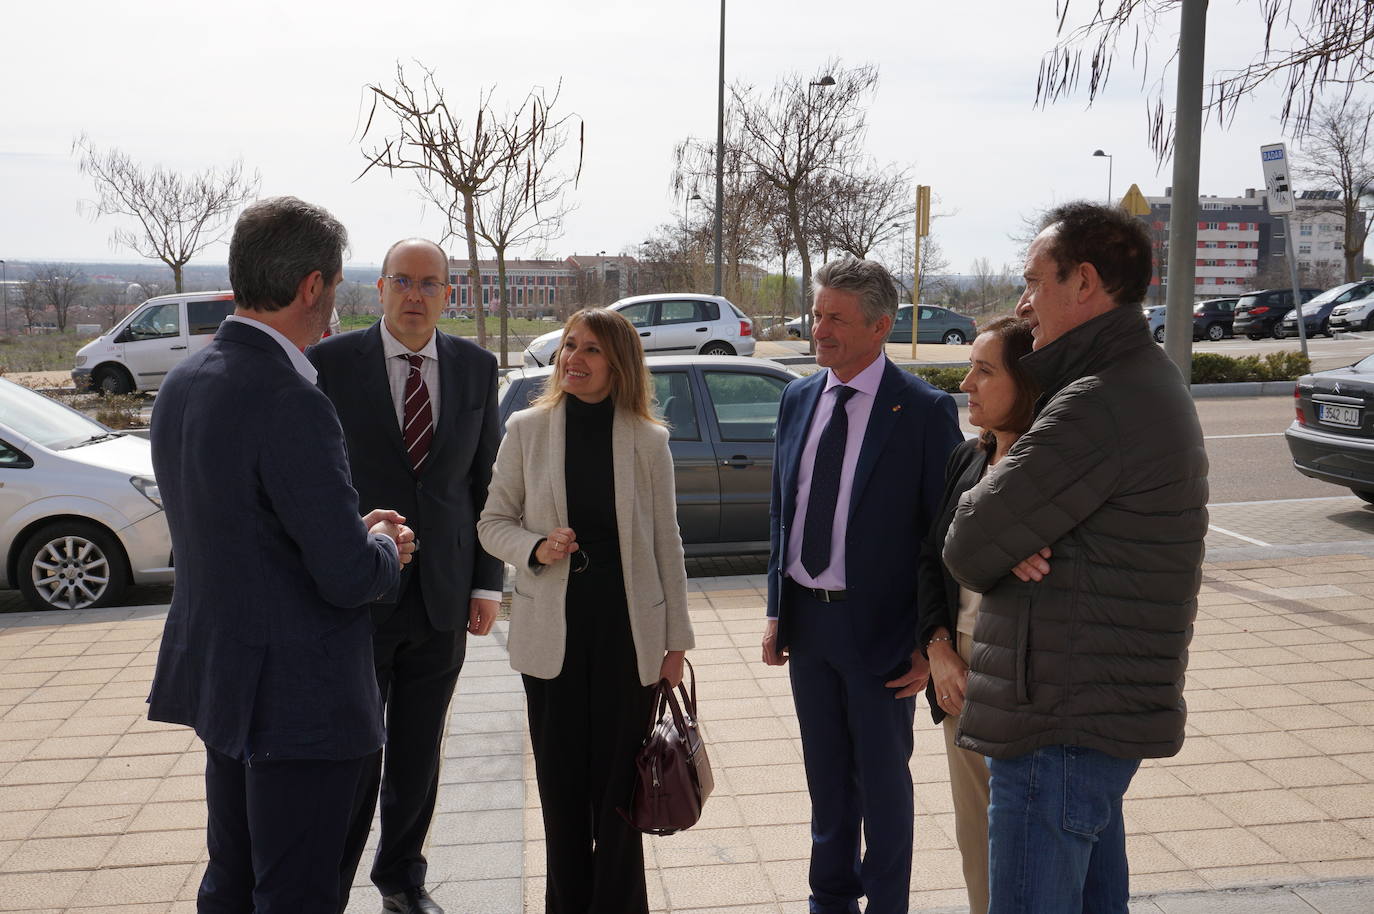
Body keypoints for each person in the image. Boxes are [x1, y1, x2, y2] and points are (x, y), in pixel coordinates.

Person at [146, 196, 417, 914]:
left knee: (231, 883)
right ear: (311, 288)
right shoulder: (290, 398)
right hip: (301, 705)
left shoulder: (185, 380)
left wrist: (346, 528)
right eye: (335, 286)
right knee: (298, 893)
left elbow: (250, 530)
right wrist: (385, 544)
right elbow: (350, 575)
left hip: (226, 686)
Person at [943, 202, 1209, 914]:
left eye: (1033, 283)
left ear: (1084, 282)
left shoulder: (1096, 402)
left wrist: (1008, 534)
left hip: (1056, 723)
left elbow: (968, 544)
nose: (1023, 304)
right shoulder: (1126, 381)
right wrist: (1014, 534)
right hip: (1079, 715)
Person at [762, 257, 963, 914]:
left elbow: (943, 539)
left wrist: (929, 639)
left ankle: (887, 906)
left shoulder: (924, 412)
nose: (820, 330)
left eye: (837, 319)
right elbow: (783, 513)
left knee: (881, 786)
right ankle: (830, 902)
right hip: (809, 626)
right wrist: (776, 611)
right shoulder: (797, 398)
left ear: (880, 326)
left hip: (883, 634)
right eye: (818, 314)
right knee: (826, 783)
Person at [477, 307, 694, 914]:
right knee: (562, 793)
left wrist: (676, 641)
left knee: (622, 793)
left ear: (619, 362)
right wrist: (537, 548)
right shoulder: (526, 428)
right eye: (570, 345)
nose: (574, 357)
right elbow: (492, 524)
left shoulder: (648, 440)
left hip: (630, 635)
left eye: (592, 349)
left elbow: (666, 543)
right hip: (553, 636)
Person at [307, 239, 502, 914]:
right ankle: (327, 887)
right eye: (403, 281)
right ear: (380, 288)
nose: (416, 295)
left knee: (418, 756)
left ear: (450, 293)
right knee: (354, 755)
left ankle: (402, 879)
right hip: (357, 596)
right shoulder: (329, 364)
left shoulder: (477, 367)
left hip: (443, 600)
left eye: (431, 284)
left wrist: (486, 583)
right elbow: (313, 482)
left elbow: (486, 486)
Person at [915, 316, 1039, 914]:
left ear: (1028, 381)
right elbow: (929, 559)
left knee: (1026, 836)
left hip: (1026, 667)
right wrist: (938, 649)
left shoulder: (1053, 470)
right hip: (958, 667)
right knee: (976, 832)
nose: (967, 383)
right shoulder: (967, 459)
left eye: (985, 371)